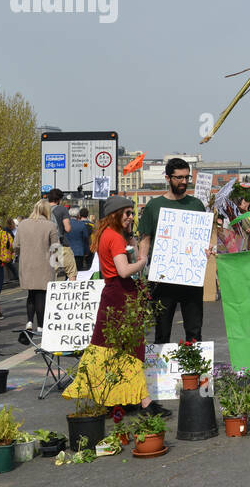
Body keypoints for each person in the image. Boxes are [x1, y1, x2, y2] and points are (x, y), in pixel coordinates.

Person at [64, 196, 170, 418]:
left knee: (115, 348)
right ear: (115, 214)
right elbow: (123, 270)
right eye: (127, 213)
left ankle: (123, 398)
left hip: (115, 294)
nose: (131, 217)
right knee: (130, 349)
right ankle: (144, 403)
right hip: (121, 295)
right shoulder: (113, 237)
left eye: (132, 213)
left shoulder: (107, 234)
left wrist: (130, 235)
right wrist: (143, 260)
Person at [138, 157, 209, 345]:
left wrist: (207, 252)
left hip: (190, 277)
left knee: (194, 329)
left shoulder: (197, 205)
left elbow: (203, 239)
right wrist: (142, 268)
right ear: (168, 178)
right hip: (162, 277)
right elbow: (145, 239)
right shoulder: (154, 206)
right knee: (162, 328)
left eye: (187, 177)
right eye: (179, 178)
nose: (184, 182)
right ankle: (160, 373)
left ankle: (194, 370)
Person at [15, 199, 59, 343]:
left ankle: (29, 321)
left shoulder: (22, 225)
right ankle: (40, 326)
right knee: (41, 295)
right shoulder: (50, 225)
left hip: (26, 264)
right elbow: (55, 248)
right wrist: (57, 266)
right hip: (44, 264)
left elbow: (16, 245)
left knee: (31, 294)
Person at [47, 189, 78, 280]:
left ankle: (52, 293)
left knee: (53, 273)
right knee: (71, 271)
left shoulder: (43, 209)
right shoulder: (62, 209)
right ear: (59, 199)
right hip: (62, 244)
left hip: (49, 245)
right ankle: (72, 292)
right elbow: (67, 228)